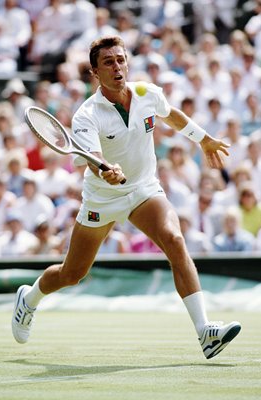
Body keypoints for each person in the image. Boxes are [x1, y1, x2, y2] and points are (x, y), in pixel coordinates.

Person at [12, 36, 241, 359]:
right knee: (72, 274)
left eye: (120, 59)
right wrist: (105, 169)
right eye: (108, 62)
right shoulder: (86, 115)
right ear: (95, 72)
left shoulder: (147, 93)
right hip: (102, 199)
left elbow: (171, 114)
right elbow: (91, 159)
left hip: (144, 189)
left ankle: (206, 331)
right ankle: (30, 297)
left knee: (174, 240)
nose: (117, 67)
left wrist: (202, 140)